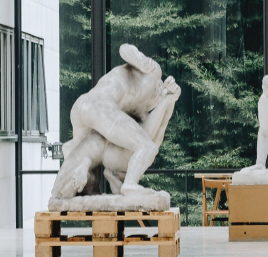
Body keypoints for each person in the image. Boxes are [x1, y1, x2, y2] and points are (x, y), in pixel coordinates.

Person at [52, 45, 181, 203]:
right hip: (101, 106)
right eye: (157, 100)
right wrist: (141, 61)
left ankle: (81, 169)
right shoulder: (153, 74)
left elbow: (148, 131)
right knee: (147, 147)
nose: (153, 106)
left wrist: (168, 101)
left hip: (81, 107)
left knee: (83, 159)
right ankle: (130, 185)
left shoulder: (137, 109)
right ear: (159, 88)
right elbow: (125, 49)